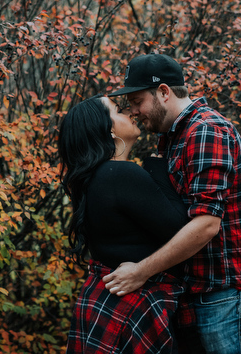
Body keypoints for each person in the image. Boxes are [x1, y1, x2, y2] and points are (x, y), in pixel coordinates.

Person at [104, 53, 241, 354]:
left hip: (228, 291)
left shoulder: (205, 130)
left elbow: (207, 223)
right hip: (202, 290)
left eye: (136, 101)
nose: (133, 112)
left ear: (163, 92)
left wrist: (141, 271)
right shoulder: (173, 136)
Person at [58, 94, 190, 353]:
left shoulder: (95, 179)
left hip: (109, 301)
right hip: (133, 307)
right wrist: (157, 164)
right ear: (106, 130)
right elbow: (183, 228)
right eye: (118, 110)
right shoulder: (120, 174)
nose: (130, 113)